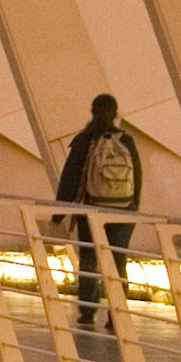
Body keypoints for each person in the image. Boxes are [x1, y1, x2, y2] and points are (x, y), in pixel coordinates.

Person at [53, 92, 141, 333]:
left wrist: (59, 214)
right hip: (124, 211)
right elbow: (138, 179)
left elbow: (69, 179)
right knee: (118, 263)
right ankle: (117, 314)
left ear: (92, 112)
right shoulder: (127, 141)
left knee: (90, 260)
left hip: (91, 210)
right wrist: (133, 209)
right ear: (116, 114)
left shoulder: (84, 140)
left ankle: (87, 311)